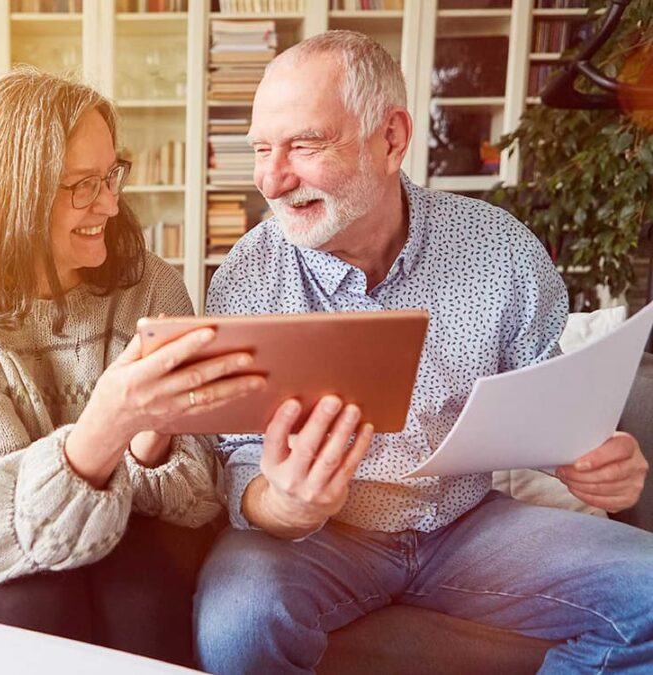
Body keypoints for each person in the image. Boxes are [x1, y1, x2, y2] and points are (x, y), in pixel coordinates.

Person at [194, 30, 653, 674]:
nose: (272, 179)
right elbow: (234, 455)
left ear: (392, 138)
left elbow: (549, 410)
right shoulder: (248, 276)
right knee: (238, 626)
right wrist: (281, 505)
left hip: (468, 527)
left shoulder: (502, 251)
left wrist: (592, 460)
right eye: (262, 150)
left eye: (304, 144)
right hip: (319, 541)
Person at [0, 67, 264, 667]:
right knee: (33, 609)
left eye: (112, 175)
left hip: (127, 515)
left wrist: (147, 444)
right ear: (15, 194)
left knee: (145, 602)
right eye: (83, 185)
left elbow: (198, 496)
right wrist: (105, 426)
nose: (111, 205)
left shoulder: (152, 289)